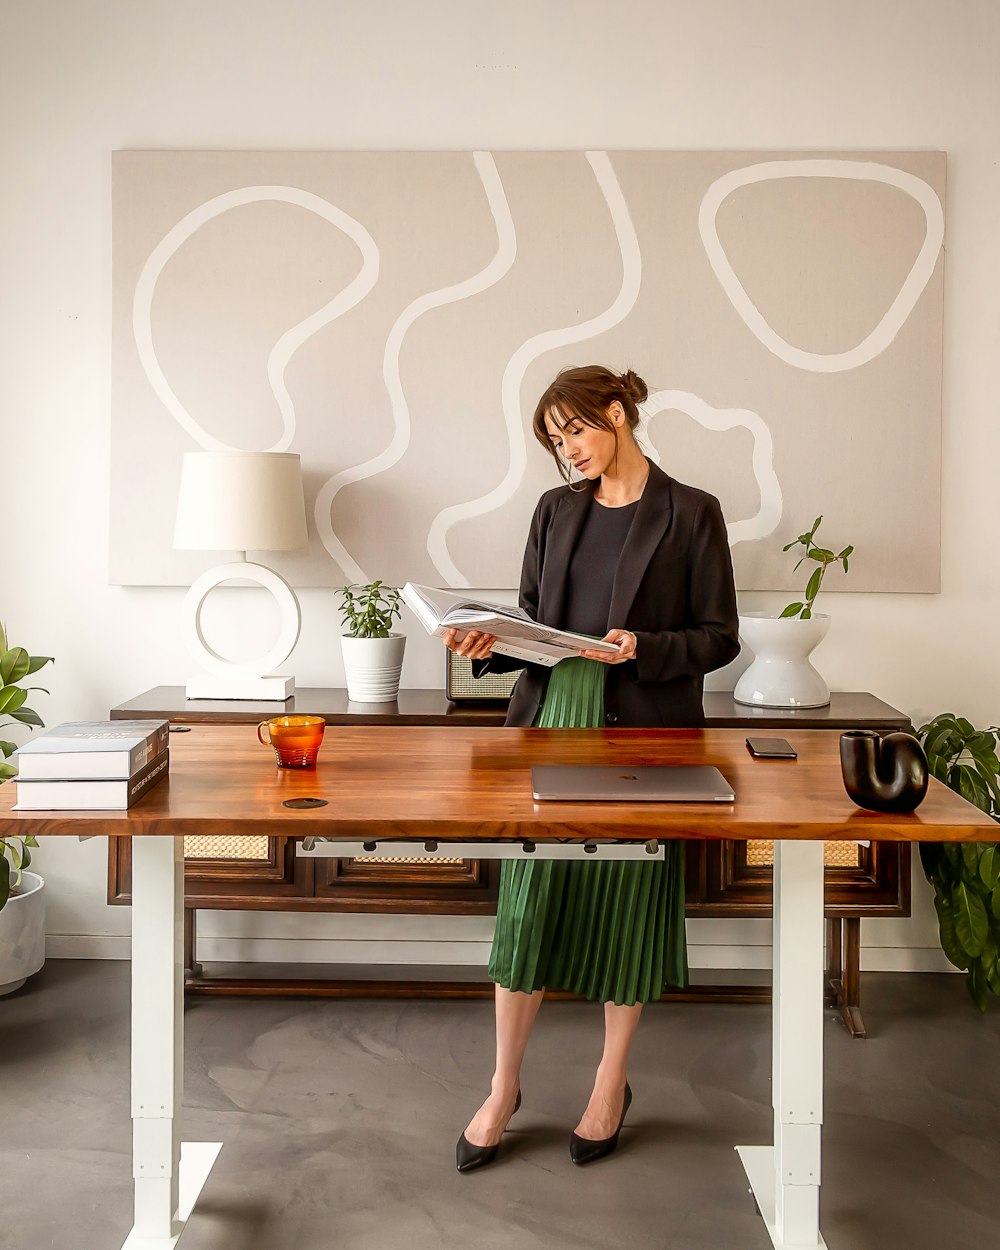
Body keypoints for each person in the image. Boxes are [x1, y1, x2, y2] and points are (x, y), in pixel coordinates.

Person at [444, 365, 739, 1172]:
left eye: (574, 430)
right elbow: (534, 622)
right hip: (552, 724)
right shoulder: (554, 511)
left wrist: (644, 648)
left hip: (644, 732)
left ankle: (611, 1082)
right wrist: (488, 641)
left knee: (627, 907)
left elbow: (719, 637)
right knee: (528, 910)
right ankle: (504, 1086)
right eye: (554, 439)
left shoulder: (691, 513)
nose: (566, 449)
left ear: (616, 414)